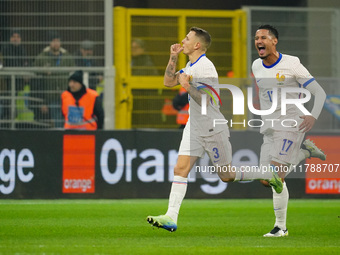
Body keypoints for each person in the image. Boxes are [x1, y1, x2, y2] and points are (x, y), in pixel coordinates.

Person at [146, 27, 283, 232]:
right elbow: (168, 82)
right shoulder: (191, 65)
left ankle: (268, 174)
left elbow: (206, 100)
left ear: (197, 45)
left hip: (212, 128)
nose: (183, 41)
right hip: (194, 126)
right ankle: (171, 217)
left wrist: (186, 87)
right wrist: (173, 57)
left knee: (226, 175)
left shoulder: (206, 68)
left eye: (187, 38)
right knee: (180, 169)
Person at [252, 24, 327, 237]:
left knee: (276, 175)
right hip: (269, 125)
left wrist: (313, 115)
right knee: (266, 179)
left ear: (274, 41)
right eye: (256, 37)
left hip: (291, 123)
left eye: (263, 37)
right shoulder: (256, 65)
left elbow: (319, 93)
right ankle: (305, 152)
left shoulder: (292, 64)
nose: (259, 41)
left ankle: (280, 227)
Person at [32, 31, 75, 128]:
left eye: (58, 41)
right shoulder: (41, 58)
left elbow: (73, 75)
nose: (56, 43)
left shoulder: (67, 57)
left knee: (66, 121)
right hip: (50, 97)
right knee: (56, 122)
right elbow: (36, 82)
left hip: (66, 96)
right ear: (49, 43)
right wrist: (42, 102)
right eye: (53, 41)